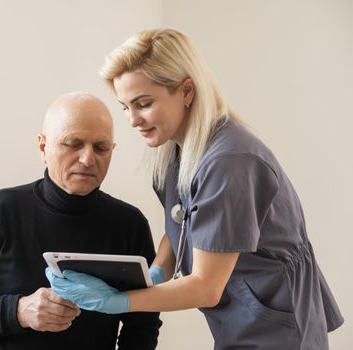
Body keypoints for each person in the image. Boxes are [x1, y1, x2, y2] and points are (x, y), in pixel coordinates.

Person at [46, 29, 344, 349]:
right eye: (125, 107)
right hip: (240, 322)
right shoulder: (176, 151)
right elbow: (183, 224)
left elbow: (206, 286)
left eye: (143, 103)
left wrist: (120, 301)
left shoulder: (230, 162)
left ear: (186, 90)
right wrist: (157, 272)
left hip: (277, 328)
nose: (132, 120)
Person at [0, 92, 162, 350]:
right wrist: (19, 311)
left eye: (100, 147)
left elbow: (143, 322)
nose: (88, 159)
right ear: (43, 147)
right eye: (73, 143)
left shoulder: (129, 224)